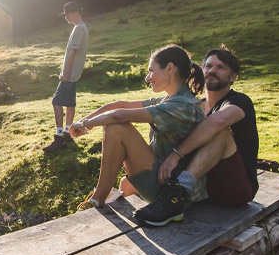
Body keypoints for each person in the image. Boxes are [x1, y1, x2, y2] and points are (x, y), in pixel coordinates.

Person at [135, 45, 258, 226]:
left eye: (220, 67)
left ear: (233, 77)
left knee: (220, 131)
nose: (212, 71)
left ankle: (178, 190)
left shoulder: (239, 101)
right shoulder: (195, 105)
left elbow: (217, 122)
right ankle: (175, 194)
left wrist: (175, 155)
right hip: (202, 191)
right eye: (208, 66)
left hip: (235, 189)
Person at [69, 44, 204, 208]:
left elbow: (119, 115)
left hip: (171, 192)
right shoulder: (169, 100)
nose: (147, 78)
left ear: (169, 68)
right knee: (125, 178)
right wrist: (83, 121)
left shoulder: (181, 106)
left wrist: (86, 125)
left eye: (151, 70)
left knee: (116, 127)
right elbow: (121, 105)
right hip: (164, 178)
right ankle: (100, 197)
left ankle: (97, 199)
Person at [43, 1, 89, 153]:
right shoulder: (82, 28)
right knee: (69, 103)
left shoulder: (79, 29)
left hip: (70, 75)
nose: (66, 18)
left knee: (56, 102)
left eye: (67, 14)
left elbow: (72, 53)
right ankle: (68, 133)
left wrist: (66, 74)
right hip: (73, 75)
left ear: (74, 12)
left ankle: (59, 137)